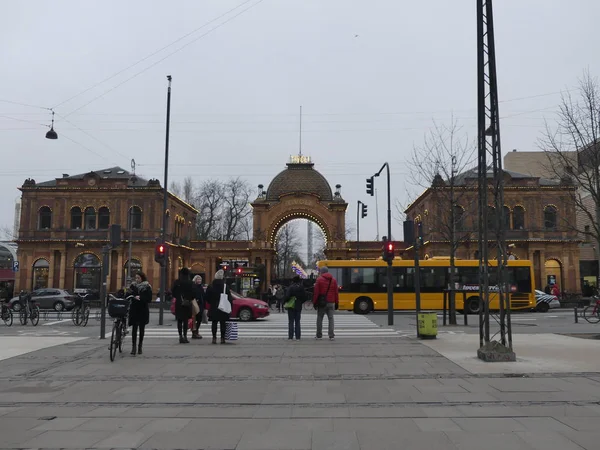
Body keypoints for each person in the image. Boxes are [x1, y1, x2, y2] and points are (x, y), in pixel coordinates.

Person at [128, 272, 152, 356]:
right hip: (134, 309)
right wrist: (131, 295)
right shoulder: (133, 286)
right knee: (134, 329)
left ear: (142, 278)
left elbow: (149, 298)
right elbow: (128, 294)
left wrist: (141, 297)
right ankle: (133, 347)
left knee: (141, 329)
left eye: (138, 278)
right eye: (136, 278)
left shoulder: (147, 286)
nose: (137, 280)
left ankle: (140, 346)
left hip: (143, 309)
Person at [312, 266, 339, 340]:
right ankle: (331, 335)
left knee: (320, 318)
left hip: (322, 303)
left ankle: (319, 335)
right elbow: (336, 292)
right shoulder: (333, 280)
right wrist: (337, 303)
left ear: (322, 272)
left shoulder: (319, 280)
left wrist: (314, 302)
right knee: (331, 319)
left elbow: (316, 293)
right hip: (331, 302)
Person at [206, 269, 232, 344]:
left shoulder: (210, 286)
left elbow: (207, 297)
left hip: (214, 307)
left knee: (214, 323)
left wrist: (211, 302)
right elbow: (229, 297)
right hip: (222, 307)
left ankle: (214, 338)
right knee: (223, 323)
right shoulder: (225, 286)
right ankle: (222, 338)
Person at [171, 267, 194, 343]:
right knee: (185, 320)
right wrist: (189, 299)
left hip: (179, 303)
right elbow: (193, 294)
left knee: (179, 321)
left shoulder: (177, 282)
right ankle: (185, 336)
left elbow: (173, 292)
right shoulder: (190, 282)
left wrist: (178, 297)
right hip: (187, 303)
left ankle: (180, 336)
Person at [285, 275, 306, 340]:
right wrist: (300, 302)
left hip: (291, 306)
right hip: (298, 306)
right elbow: (305, 297)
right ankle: (298, 337)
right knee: (297, 321)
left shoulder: (290, 287)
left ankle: (290, 336)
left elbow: (287, 296)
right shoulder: (301, 287)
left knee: (291, 321)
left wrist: (286, 301)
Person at [192, 275, 206, 339]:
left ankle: (196, 331)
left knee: (199, 319)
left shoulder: (201, 287)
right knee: (195, 319)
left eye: (200, 279)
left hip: (200, 305)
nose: (199, 281)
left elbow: (203, 296)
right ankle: (194, 332)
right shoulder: (194, 287)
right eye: (198, 279)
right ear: (195, 280)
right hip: (195, 304)